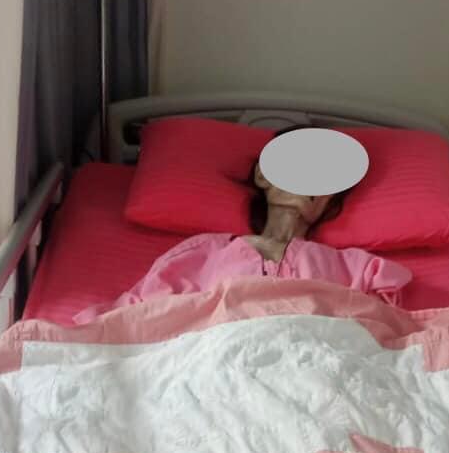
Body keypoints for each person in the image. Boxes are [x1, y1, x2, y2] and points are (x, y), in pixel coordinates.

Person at [73, 129, 411, 324]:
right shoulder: (203, 253)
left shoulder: (358, 268)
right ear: (264, 175)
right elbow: (141, 311)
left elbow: (387, 332)